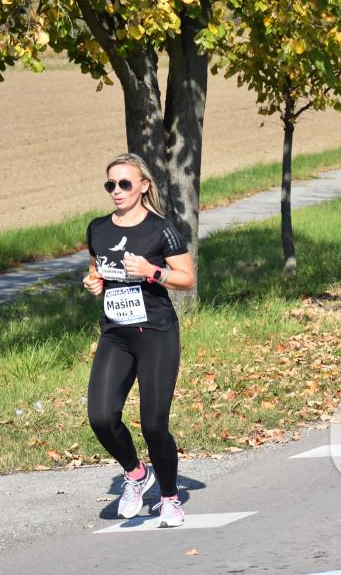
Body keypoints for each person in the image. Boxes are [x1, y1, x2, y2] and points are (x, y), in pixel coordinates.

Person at [82, 153, 196, 527]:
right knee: (100, 415)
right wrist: (94, 283)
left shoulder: (161, 229)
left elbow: (186, 278)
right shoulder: (98, 228)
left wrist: (153, 271)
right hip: (116, 333)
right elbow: (98, 268)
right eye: (110, 185)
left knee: (153, 424)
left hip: (156, 334)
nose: (117, 191)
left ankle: (169, 497)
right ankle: (134, 473)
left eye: (124, 184)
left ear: (144, 185)